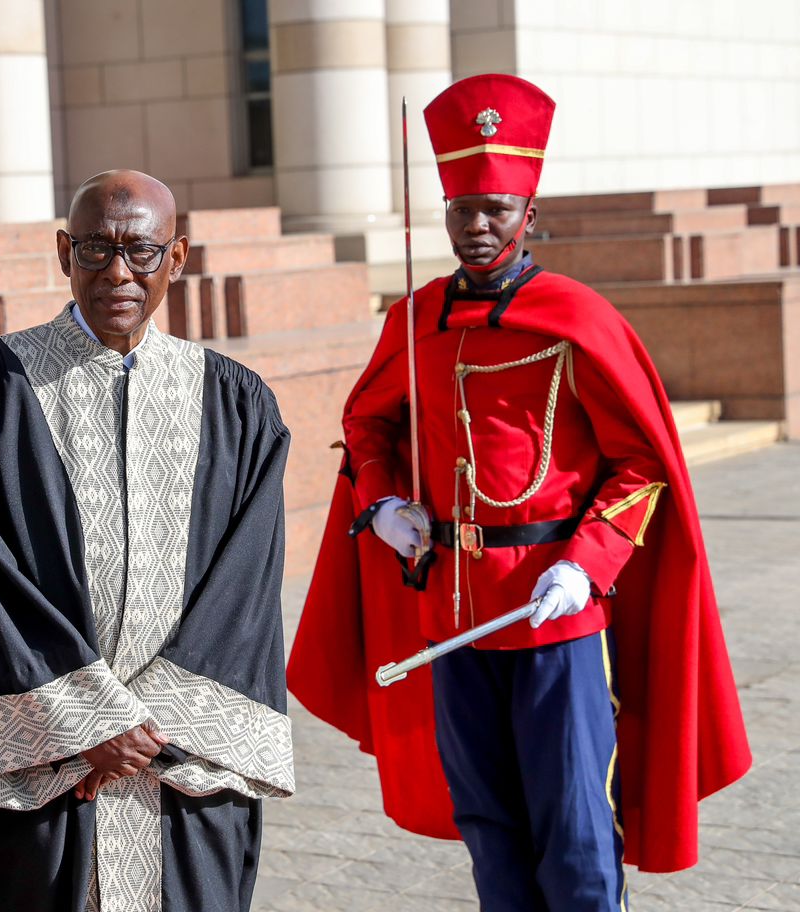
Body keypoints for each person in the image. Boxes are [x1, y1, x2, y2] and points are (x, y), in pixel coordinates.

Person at [288, 75, 751, 910]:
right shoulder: (415, 319)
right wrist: (385, 506)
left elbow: (642, 464)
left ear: (528, 213)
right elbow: (368, 428)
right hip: (452, 619)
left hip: (554, 613)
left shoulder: (579, 317)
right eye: (463, 210)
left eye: (496, 209)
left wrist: (587, 564)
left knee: (574, 837)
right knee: (490, 832)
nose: (478, 227)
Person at [0, 169, 294, 912]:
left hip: (181, 767)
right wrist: (90, 720)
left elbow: (247, 589)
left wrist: (145, 728)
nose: (117, 272)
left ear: (178, 258)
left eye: (142, 252)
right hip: (42, 766)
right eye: (95, 250)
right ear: (64, 252)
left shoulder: (237, 401)